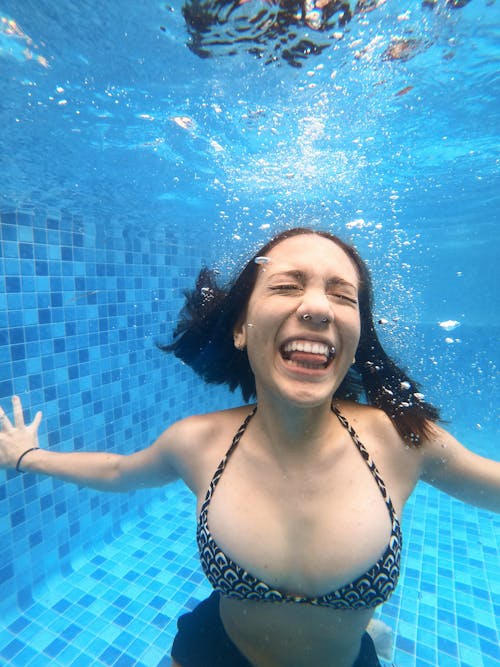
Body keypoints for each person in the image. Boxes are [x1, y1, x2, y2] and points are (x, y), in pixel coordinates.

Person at [1, 227, 499, 667]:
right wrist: (25, 456)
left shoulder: (401, 442)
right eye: (286, 285)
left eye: (343, 296)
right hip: (214, 648)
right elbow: (117, 471)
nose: (318, 307)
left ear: (356, 338)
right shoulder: (197, 443)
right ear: (241, 328)